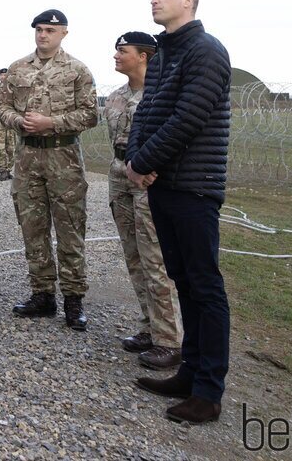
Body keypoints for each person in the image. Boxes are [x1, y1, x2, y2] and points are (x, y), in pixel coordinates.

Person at [127, 0, 231, 425]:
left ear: (187, 1)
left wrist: (144, 161)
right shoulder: (167, 51)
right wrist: (135, 158)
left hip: (194, 185)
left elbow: (190, 117)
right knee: (183, 281)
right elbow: (146, 112)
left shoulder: (206, 50)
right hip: (165, 183)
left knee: (204, 286)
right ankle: (189, 373)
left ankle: (208, 392)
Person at [0, 10, 98, 330]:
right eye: (39, 30)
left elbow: (89, 115)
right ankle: (42, 294)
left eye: (50, 30)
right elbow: (2, 107)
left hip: (63, 157)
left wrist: (50, 123)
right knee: (33, 228)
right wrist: (19, 121)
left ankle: (73, 298)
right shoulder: (17, 69)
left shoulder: (77, 70)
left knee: (70, 229)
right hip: (28, 158)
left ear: (63, 33)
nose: (43, 35)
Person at [105, 31, 182, 370]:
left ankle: (169, 340)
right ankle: (149, 328)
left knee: (155, 259)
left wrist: (151, 168)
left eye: (123, 51)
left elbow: (172, 137)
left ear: (145, 56)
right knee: (134, 256)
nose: (116, 56)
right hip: (119, 174)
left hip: (149, 179)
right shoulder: (116, 96)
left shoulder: (164, 95)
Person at [0, 68, 18, 181]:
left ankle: (9, 170)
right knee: (1, 148)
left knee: (11, 148)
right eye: (1, 75)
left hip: (11, 123)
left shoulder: (13, 89)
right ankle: (2, 170)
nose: (3, 77)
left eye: (5, 75)